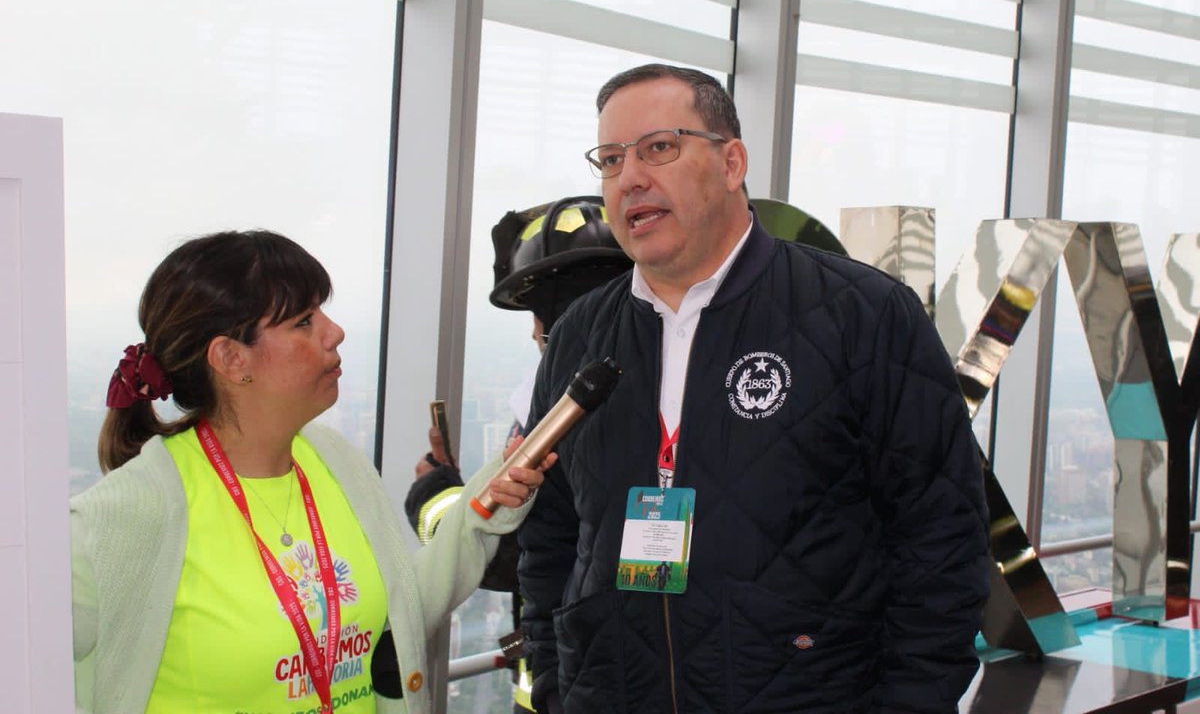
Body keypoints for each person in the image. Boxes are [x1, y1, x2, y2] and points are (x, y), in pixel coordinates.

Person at [517, 64, 991, 713]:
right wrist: (556, 688)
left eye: (659, 148)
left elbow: (942, 538)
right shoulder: (580, 334)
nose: (630, 178)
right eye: (611, 159)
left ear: (732, 162)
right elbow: (548, 538)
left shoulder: (862, 314)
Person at [71, 230, 551, 714]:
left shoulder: (334, 461)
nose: (334, 331)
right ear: (231, 358)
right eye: (304, 321)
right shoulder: (124, 516)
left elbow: (395, 616)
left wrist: (484, 507)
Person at [405, 195, 634, 712]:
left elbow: (508, 551)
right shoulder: (638, 396)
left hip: (569, 684)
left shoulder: (564, 417)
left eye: (538, 315)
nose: (533, 333)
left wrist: (432, 491)